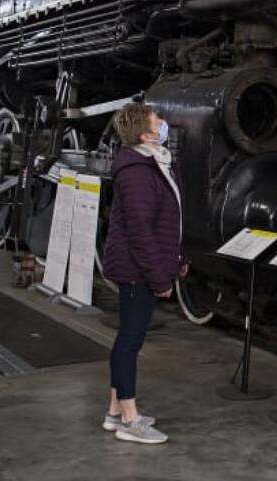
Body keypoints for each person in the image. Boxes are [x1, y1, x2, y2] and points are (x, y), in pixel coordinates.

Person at [100, 102, 184, 445]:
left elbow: (164, 221)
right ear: (145, 133)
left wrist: (177, 258)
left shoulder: (149, 163)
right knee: (129, 341)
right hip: (136, 269)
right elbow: (140, 232)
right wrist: (160, 277)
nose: (163, 124)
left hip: (141, 265)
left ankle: (114, 412)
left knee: (129, 338)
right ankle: (130, 421)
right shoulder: (136, 171)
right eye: (157, 120)